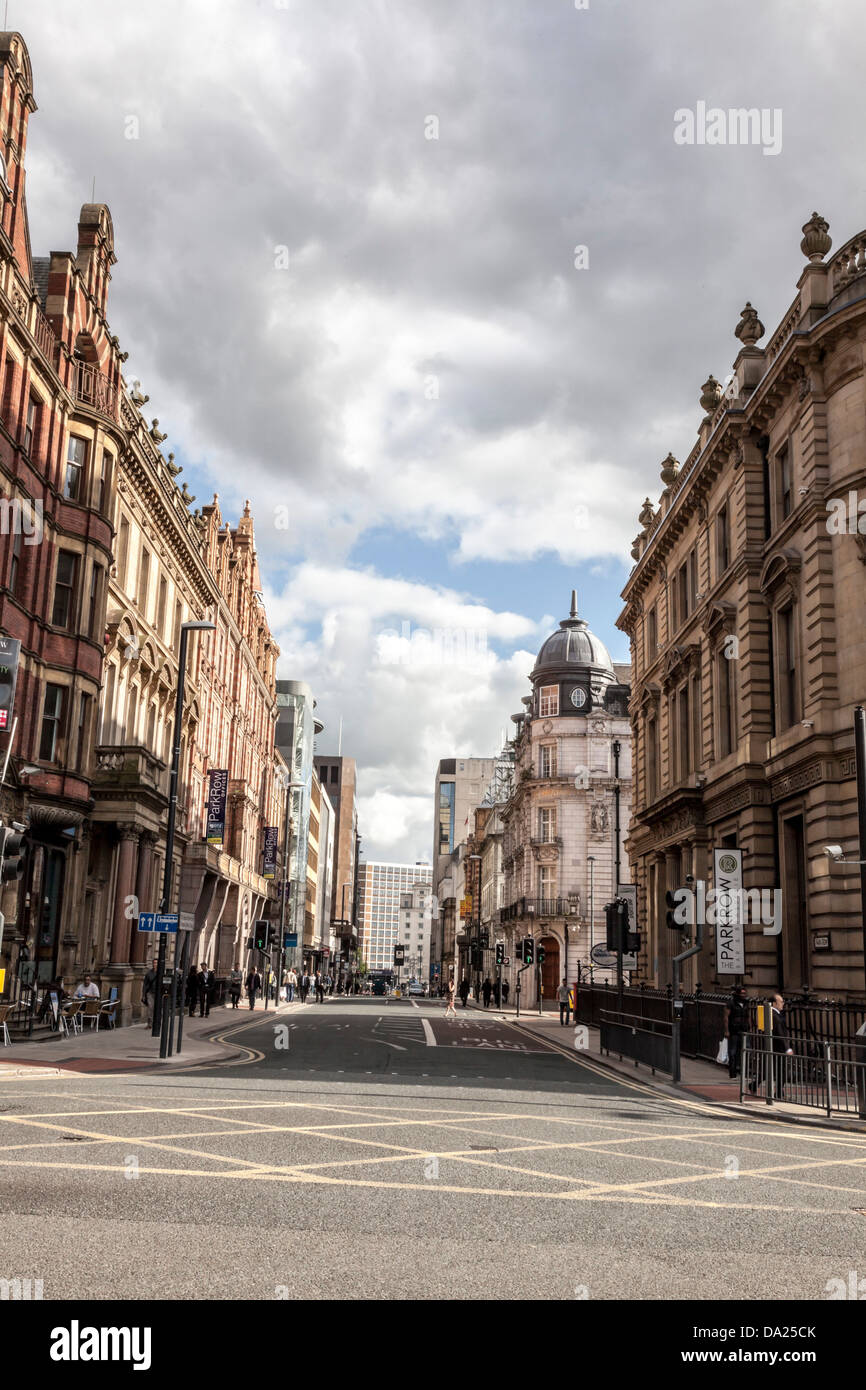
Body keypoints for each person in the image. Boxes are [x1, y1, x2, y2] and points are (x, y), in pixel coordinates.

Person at [725, 985, 749, 1079]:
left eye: (745, 993)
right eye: (742, 993)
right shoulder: (731, 1003)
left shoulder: (746, 1003)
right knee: (733, 1052)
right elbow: (726, 1017)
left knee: (746, 1050)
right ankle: (732, 1073)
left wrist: (750, 1027)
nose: (744, 995)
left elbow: (748, 1016)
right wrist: (726, 1031)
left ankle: (744, 1072)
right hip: (734, 1030)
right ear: (738, 993)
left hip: (744, 1030)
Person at [142, 957, 159, 1024]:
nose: (155, 964)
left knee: (156, 1009)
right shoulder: (148, 973)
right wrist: (143, 994)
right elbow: (145, 984)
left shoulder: (161, 973)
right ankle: (149, 1024)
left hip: (158, 994)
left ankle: (156, 1023)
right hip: (150, 993)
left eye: (156, 963)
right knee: (150, 1008)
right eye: (154, 963)